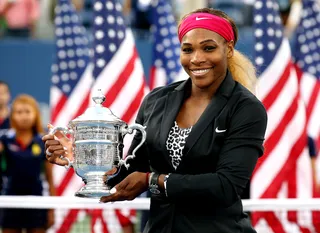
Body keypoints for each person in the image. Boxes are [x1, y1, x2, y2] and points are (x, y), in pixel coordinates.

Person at [43, 7, 268, 233]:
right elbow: (132, 171)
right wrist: (85, 155)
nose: (197, 59)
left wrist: (154, 180)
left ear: (228, 49)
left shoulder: (246, 108)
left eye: (208, 48)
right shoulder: (156, 100)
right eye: (187, 49)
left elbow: (226, 186)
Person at [0, 94, 55, 233]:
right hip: (10, 200)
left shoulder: (43, 141)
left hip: (36, 201)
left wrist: (52, 210)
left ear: (35, 114)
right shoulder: (4, 140)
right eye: (19, 112)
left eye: (27, 112)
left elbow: (50, 178)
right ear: (12, 115)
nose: (23, 116)